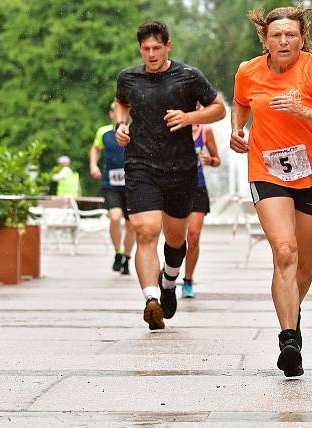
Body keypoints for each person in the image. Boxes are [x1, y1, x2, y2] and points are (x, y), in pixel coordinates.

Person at [230, 5, 312, 377]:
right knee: (284, 251)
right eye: (276, 35)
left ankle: (291, 311)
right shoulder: (247, 71)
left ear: (302, 38)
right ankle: (289, 339)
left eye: (291, 35)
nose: (284, 41)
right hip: (267, 171)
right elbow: (240, 102)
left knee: (303, 264)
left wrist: (305, 112)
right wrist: (238, 130)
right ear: (265, 40)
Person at [113, 20, 226, 330]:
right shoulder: (129, 78)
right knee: (146, 231)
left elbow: (219, 109)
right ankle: (151, 300)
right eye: (146, 49)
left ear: (168, 46)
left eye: (157, 48)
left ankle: (169, 282)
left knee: (176, 240)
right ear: (139, 48)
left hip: (181, 169)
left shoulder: (188, 77)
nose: (151, 54)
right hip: (140, 165)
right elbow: (120, 103)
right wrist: (120, 127)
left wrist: (190, 116)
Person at [89, 102, 135, 275]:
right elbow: (95, 149)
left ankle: (127, 259)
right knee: (115, 217)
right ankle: (118, 252)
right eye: (117, 111)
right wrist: (94, 166)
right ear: (111, 114)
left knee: (132, 226)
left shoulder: (134, 130)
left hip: (132, 184)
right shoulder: (104, 132)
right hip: (111, 184)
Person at [181, 122, 221, 298]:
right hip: (174, 189)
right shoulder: (173, 126)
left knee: (193, 237)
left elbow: (217, 160)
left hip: (197, 188)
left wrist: (210, 160)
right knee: (175, 238)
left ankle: (188, 280)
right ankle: (170, 270)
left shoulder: (206, 131)